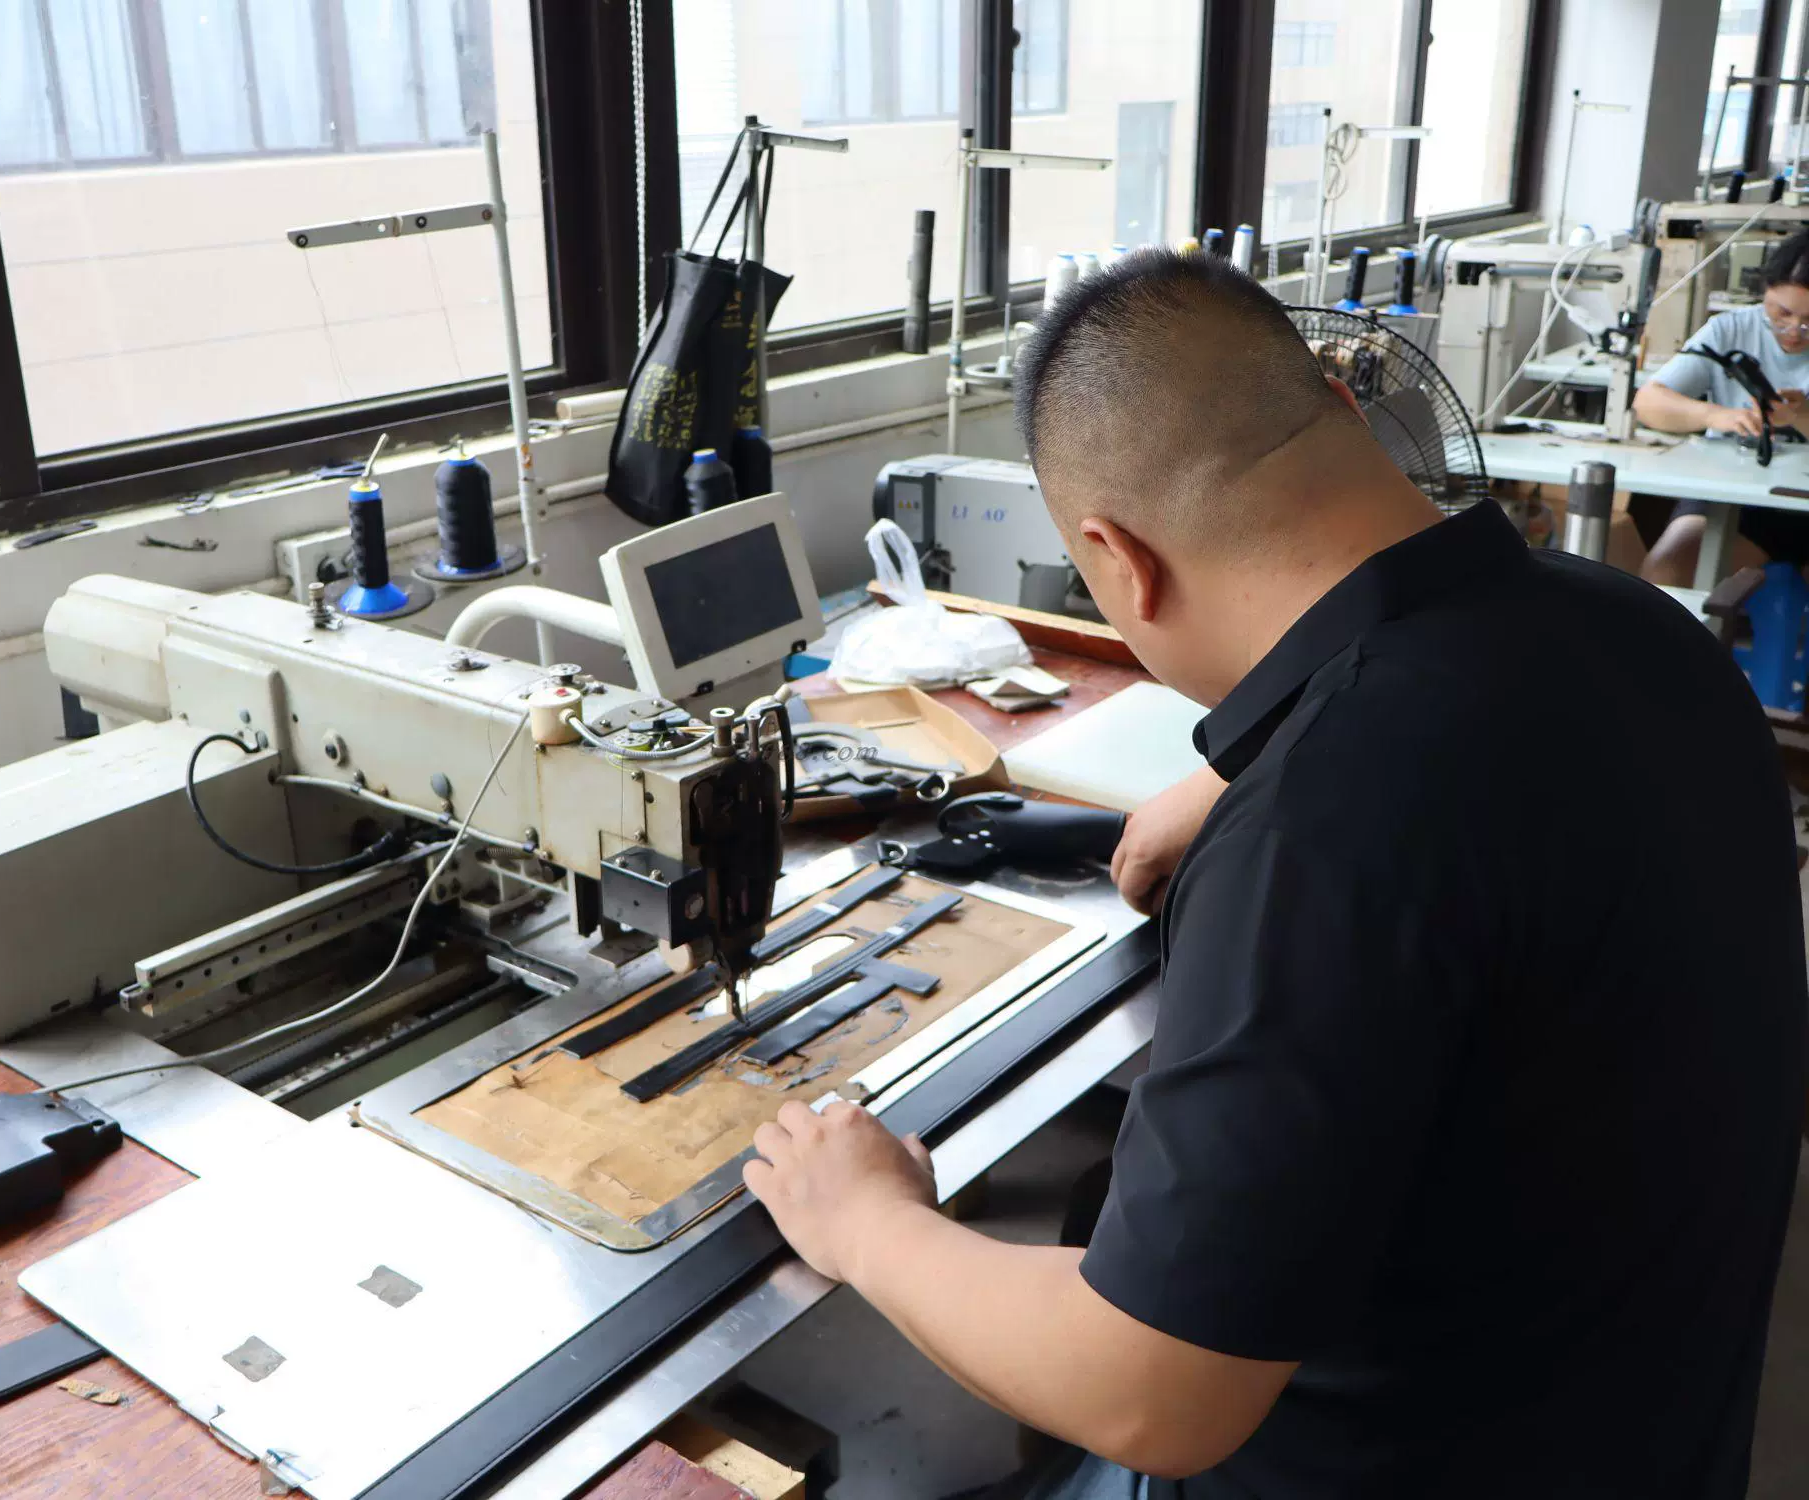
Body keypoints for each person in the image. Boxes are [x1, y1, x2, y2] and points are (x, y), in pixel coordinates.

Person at [742, 249, 1807, 1498]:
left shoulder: (1325, 825)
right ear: (1341, 410)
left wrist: (867, 1222)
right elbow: (1447, 730)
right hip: (1642, 1429)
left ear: (1117, 560)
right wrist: (1250, 765)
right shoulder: (1638, 631)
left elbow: (1149, 1393)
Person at [1632, 227, 1809, 584]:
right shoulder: (1729, 331)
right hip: (1732, 500)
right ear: (1765, 293)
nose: (1794, 330)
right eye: (1782, 313)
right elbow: (1648, 403)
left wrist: (1800, 416)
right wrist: (1718, 416)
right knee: (1665, 573)